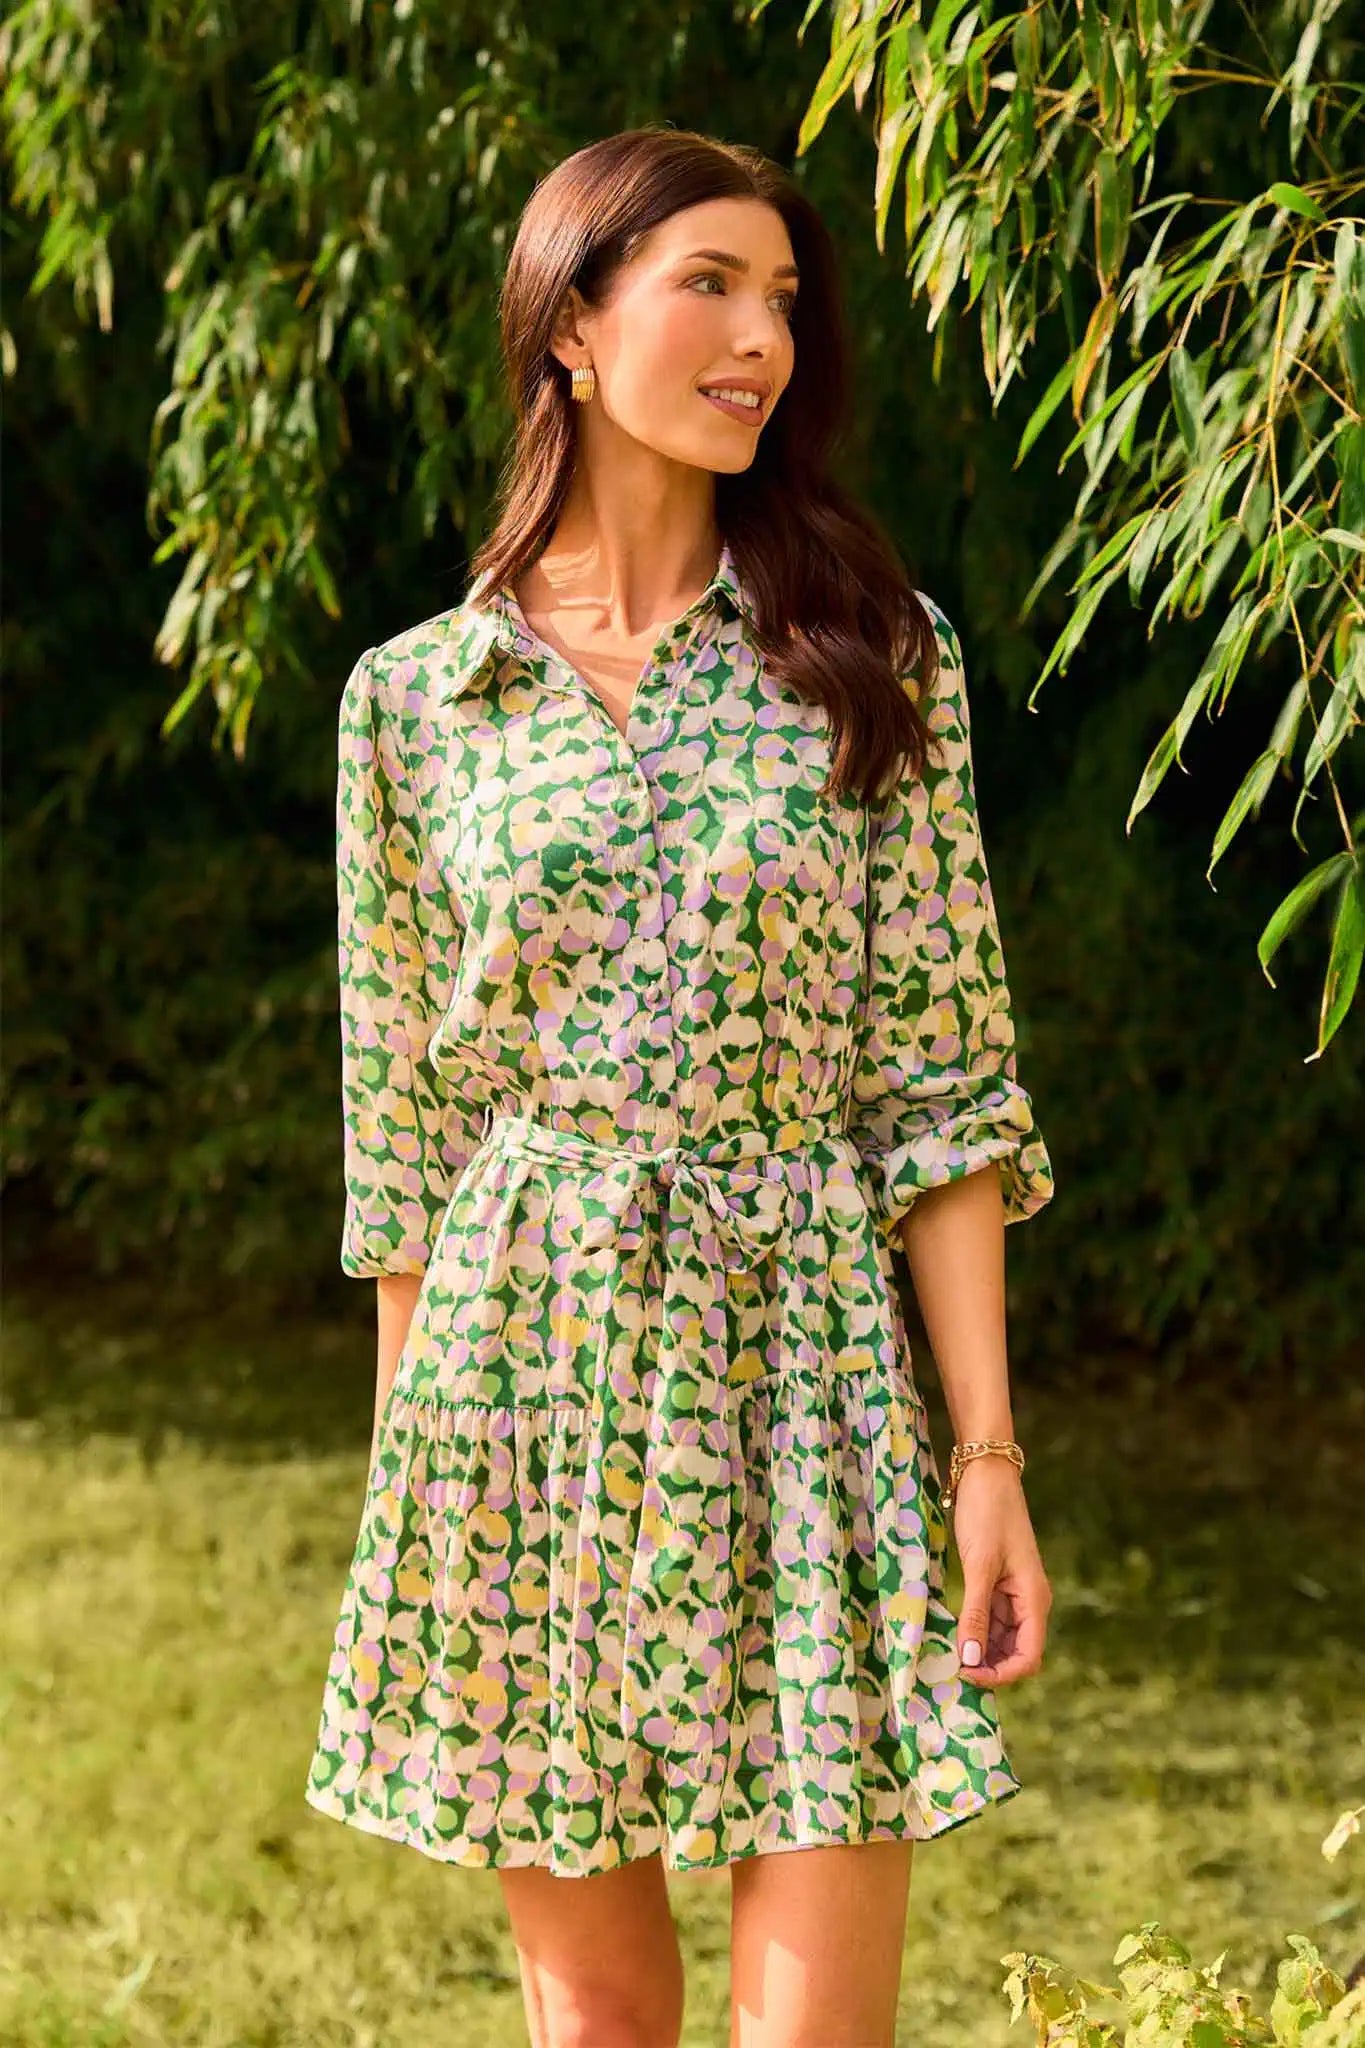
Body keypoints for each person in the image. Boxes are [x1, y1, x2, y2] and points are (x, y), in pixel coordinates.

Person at [305, 124, 1056, 2048]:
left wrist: (985, 1460)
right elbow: (403, 1137)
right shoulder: (415, 704)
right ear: (569, 326)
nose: (760, 341)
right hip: (519, 1386)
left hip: (806, 1375)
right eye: (706, 285)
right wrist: (417, 1495)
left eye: (783, 299)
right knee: (602, 2032)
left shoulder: (872, 657)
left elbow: (941, 1081)